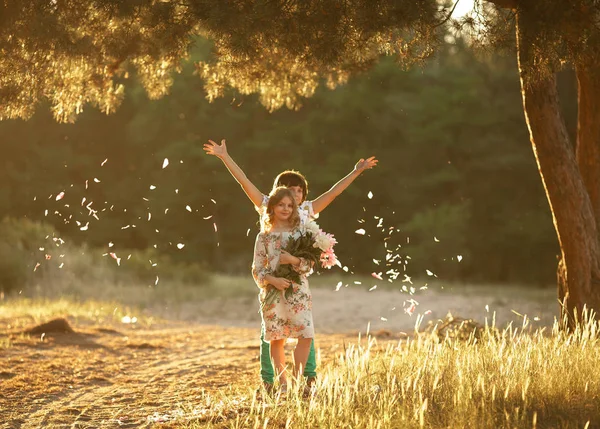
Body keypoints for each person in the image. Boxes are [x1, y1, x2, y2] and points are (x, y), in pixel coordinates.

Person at [204, 138, 377, 391]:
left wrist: (356, 171)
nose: (291, 196)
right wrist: (225, 157)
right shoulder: (266, 215)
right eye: (286, 190)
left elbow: (333, 193)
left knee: (305, 333)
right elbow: (244, 182)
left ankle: (306, 378)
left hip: (297, 282)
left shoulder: (305, 213)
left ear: (303, 195)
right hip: (273, 285)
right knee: (273, 336)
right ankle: (272, 380)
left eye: (297, 190)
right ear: (275, 198)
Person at [252, 187, 315, 392]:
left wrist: (293, 260)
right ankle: (283, 385)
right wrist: (273, 280)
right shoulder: (264, 236)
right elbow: (257, 269)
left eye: (290, 205)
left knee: (305, 335)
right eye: (281, 205)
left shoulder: (301, 233)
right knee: (276, 337)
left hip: (297, 291)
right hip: (273, 293)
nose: (286, 209)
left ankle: (297, 382)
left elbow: (309, 264)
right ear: (272, 207)